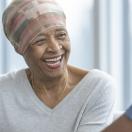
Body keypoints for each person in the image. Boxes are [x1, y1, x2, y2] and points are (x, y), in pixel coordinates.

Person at [0, 0, 115, 132]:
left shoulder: (97, 87)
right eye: (40, 40)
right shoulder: (3, 93)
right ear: (19, 47)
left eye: (61, 35)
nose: (55, 48)